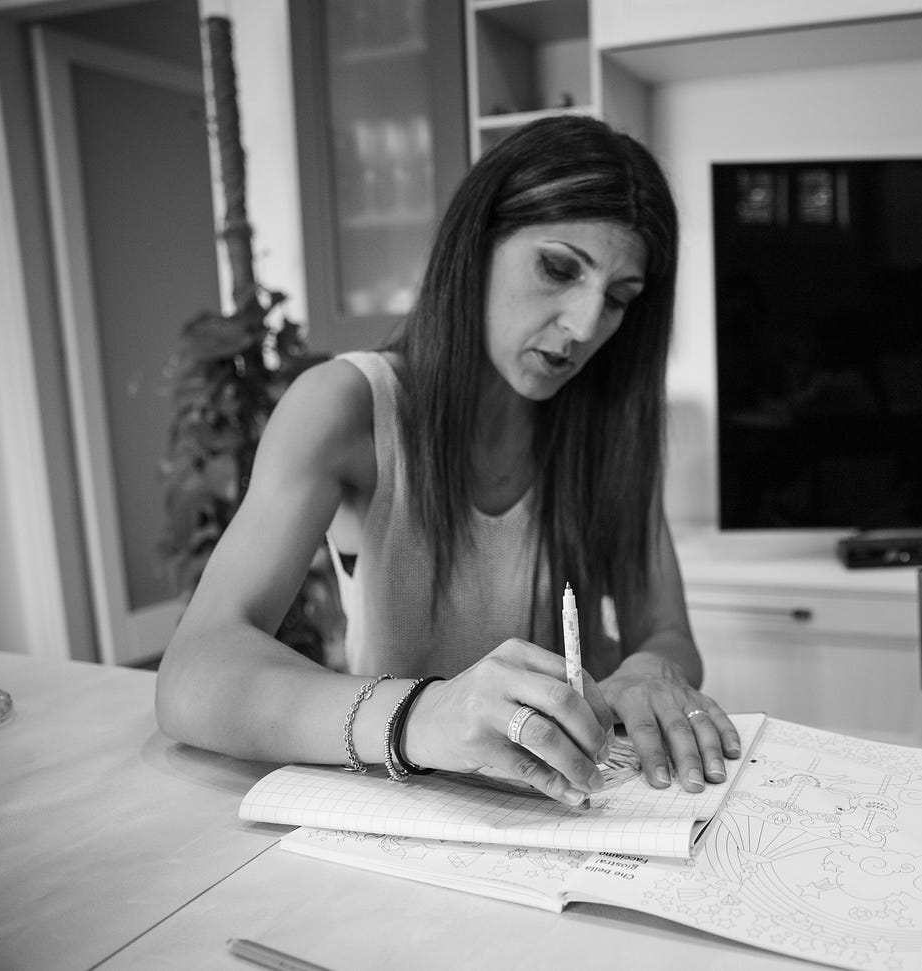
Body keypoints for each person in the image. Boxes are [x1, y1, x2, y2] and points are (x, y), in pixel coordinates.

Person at [157, 115, 741, 807]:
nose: (585, 326)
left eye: (618, 300)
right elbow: (194, 672)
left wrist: (648, 668)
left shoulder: (609, 426)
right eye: (558, 269)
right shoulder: (346, 406)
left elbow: (667, 631)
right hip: (416, 809)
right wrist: (428, 714)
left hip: (571, 807)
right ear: (477, 242)